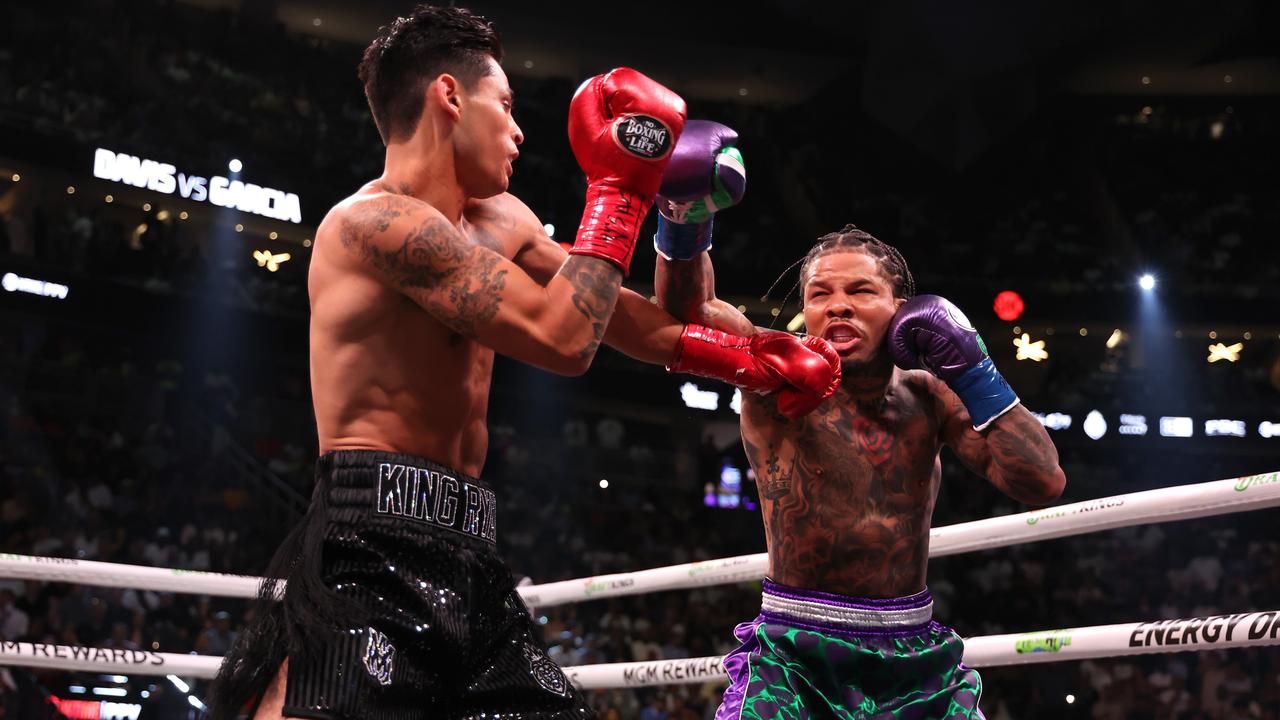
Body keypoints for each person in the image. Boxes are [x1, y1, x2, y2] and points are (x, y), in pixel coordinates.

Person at [210, 6, 839, 720]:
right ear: (449, 97)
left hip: (471, 548)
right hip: (370, 541)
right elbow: (562, 337)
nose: (519, 131)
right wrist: (620, 188)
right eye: (504, 105)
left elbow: (616, 317)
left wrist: (757, 356)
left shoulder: (503, 218)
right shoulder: (372, 226)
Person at [654, 120, 1067, 719]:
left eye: (860, 291)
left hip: (915, 654)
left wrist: (975, 370)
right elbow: (684, 313)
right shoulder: (770, 370)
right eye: (819, 294)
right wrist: (684, 215)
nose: (838, 304)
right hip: (794, 652)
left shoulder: (932, 395)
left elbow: (1042, 482)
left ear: (901, 310)